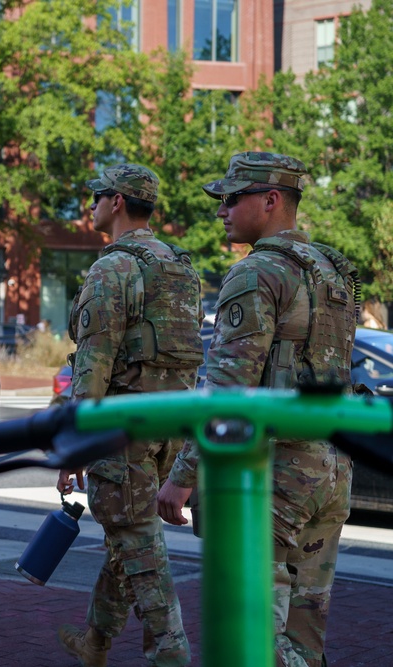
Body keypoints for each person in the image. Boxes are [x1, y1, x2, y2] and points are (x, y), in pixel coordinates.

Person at [157, 152, 359, 667]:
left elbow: (229, 390)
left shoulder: (256, 273)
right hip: (332, 465)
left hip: (275, 475)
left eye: (231, 199)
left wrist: (182, 475)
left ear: (271, 201)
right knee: (305, 631)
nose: (221, 210)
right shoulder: (331, 268)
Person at [55, 164, 202, 667]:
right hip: (172, 429)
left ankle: (172, 654)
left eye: (96, 195)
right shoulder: (180, 265)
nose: (91, 205)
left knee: (140, 545)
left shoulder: (112, 269)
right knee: (130, 533)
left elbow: (93, 367)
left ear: (117, 202)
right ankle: (96, 641)